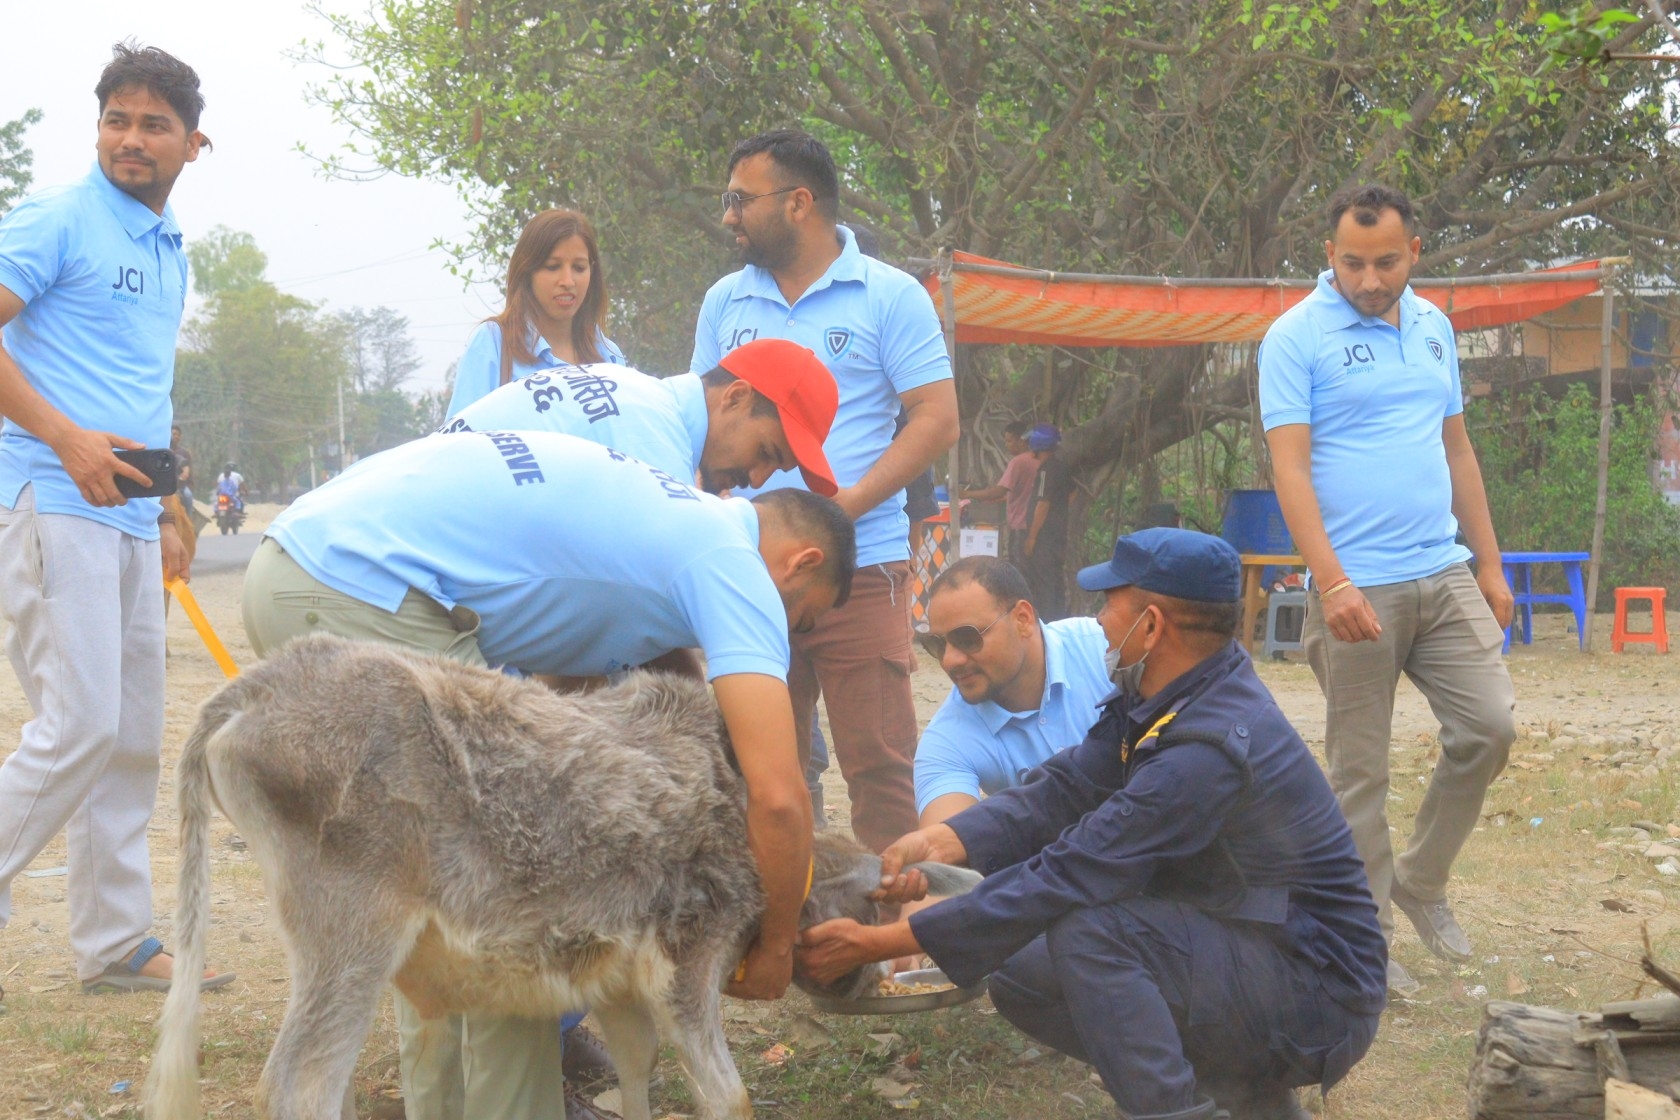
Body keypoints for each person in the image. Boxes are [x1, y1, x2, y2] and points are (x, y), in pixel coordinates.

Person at [242, 430, 855, 1120]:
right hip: (360, 584)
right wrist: (775, 946)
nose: (789, 627)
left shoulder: (675, 514)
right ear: (801, 563)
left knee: (430, 881)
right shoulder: (731, 565)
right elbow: (778, 795)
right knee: (515, 900)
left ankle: (433, 1107)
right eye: (803, 615)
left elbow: (572, 681)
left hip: (303, 562)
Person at [798, 528, 1387, 1120]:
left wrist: (881, 942)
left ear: (1151, 626)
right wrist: (941, 841)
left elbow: (1072, 871)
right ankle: (1248, 1098)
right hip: (1252, 947)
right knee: (1025, 974)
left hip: (1319, 990)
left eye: (1111, 604)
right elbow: (1066, 789)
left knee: (1093, 932)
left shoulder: (1204, 749)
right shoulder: (1170, 691)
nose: (1100, 620)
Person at [0, 43, 230, 993]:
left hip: (134, 519)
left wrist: (172, 505)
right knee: (81, 723)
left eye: (153, 124)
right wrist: (64, 439)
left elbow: (140, 383)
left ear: (194, 144)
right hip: (52, 502)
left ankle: (116, 944)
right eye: (117, 120)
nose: (131, 140)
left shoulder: (165, 246)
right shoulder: (58, 220)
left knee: (132, 735)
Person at [1258, 183, 1516, 998]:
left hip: (1441, 570)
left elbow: (1459, 451)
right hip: (1354, 583)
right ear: (1329, 257)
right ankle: (1364, 939)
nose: (1370, 280)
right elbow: (1288, 468)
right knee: (1358, 774)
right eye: (1354, 263)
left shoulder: (1435, 327)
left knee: (1490, 729)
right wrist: (1329, 581)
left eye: (1387, 262)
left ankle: (1423, 880)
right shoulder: (1294, 337)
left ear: (1414, 253)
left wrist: (1490, 562)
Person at [691, 129, 958, 852]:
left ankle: (893, 938)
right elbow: (703, 424)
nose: (729, 217)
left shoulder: (890, 295)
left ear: (799, 203)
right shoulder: (724, 301)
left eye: (740, 200)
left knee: (878, 761)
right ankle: (778, 921)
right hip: (746, 568)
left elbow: (937, 418)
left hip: (860, 566)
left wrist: (841, 513)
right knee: (752, 762)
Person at [442, 337, 839, 496]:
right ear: (735, 397)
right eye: (767, 452)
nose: (756, 479)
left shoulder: (640, 397)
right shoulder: (653, 446)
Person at [912, 556, 1111, 829]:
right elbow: (945, 852)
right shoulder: (947, 741)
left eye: (967, 637)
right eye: (936, 645)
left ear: (1022, 619)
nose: (949, 660)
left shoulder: (1106, 650)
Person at [446, 209, 623, 417]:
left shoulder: (610, 356)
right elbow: (460, 440)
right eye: (552, 267)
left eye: (579, 267)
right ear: (527, 271)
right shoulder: (494, 343)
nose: (567, 281)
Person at [960, 420, 1038, 564]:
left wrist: (966, 494)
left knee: (1019, 567)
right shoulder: (1039, 459)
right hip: (1037, 525)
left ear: (1021, 441)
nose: (1006, 445)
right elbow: (1025, 493)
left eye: (1009, 441)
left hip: (1020, 527)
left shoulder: (1018, 462)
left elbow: (997, 492)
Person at [1022, 422, 1074, 621]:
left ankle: (1046, 622)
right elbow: (1073, 492)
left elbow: (1043, 504)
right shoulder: (1061, 466)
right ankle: (1058, 619)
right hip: (1057, 536)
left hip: (1045, 538)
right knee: (1054, 580)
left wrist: (1032, 537)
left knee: (1044, 581)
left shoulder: (1046, 470)